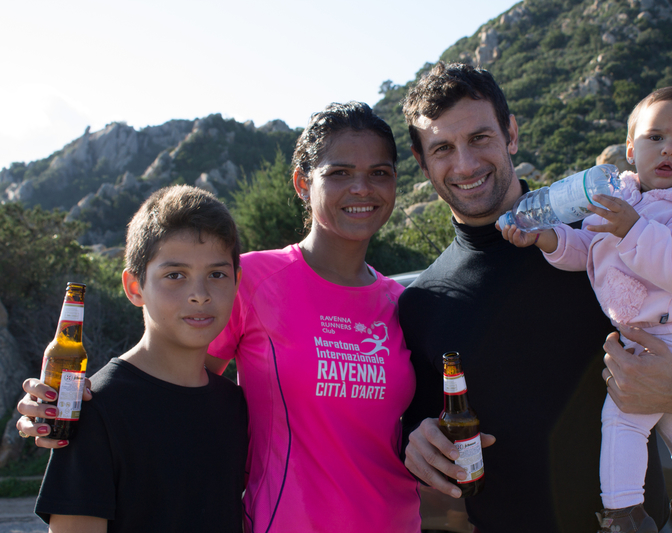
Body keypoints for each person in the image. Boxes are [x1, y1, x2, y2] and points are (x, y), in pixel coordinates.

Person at [19, 102, 421, 533]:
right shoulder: (248, 281)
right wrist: (70, 412)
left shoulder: (406, 303)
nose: (362, 187)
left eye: (379, 172)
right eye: (339, 172)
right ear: (303, 184)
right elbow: (171, 379)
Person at [398, 62, 672, 533]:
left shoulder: (608, 230)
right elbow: (417, 422)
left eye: (480, 138)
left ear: (511, 134)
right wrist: (413, 440)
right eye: (442, 148)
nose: (465, 164)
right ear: (422, 161)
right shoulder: (421, 301)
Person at [499, 87, 672, 531]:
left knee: (624, 416)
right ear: (632, 150)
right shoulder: (622, 199)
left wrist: (635, 230)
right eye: (656, 137)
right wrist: (548, 237)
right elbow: (590, 249)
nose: (670, 147)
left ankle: (624, 514)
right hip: (659, 335)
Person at [25, 185, 249, 532]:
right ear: (134, 288)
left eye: (216, 274)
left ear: (236, 282)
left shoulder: (236, 406)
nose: (200, 295)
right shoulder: (96, 408)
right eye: (175, 275)